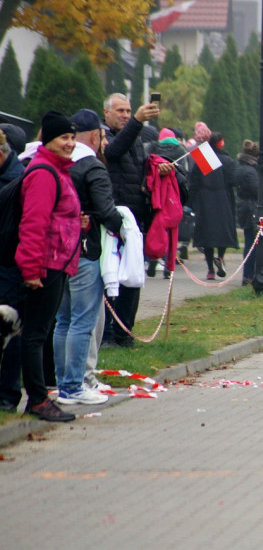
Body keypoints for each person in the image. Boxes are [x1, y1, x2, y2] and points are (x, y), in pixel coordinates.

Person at [0, 112, 82, 421]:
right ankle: (37, 400)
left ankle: (37, 397)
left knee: (38, 333)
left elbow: (58, 215)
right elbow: (33, 225)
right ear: (48, 140)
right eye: (64, 138)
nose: (70, 143)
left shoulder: (58, 171)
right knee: (34, 336)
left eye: (73, 138)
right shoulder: (44, 173)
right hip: (44, 266)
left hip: (57, 263)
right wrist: (32, 270)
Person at [52, 109, 122, 407]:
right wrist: (122, 227)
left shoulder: (56, 165)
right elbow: (106, 211)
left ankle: (62, 381)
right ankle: (73, 385)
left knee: (63, 320)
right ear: (96, 136)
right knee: (82, 321)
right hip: (85, 250)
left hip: (57, 251)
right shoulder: (93, 166)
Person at [101, 93, 162, 348]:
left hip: (135, 220)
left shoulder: (135, 138)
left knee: (133, 278)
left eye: (128, 111)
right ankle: (106, 335)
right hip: (113, 219)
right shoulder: (103, 135)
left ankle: (125, 333)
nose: (126, 115)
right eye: (120, 111)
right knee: (111, 279)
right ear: (107, 113)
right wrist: (137, 120)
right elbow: (114, 152)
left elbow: (136, 168)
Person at [189, 132, 238, 281]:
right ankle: (221, 258)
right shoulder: (228, 160)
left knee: (207, 234)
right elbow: (233, 180)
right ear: (221, 143)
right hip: (223, 199)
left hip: (205, 200)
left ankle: (210, 269)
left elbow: (193, 181)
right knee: (222, 232)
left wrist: (193, 200)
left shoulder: (204, 158)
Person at [145, 128, 188, 278]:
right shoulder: (180, 150)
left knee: (156, 228)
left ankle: (152, 260)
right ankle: (167, 268)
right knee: (171, 231)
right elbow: (184, 173)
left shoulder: (152, 148)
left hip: (156, 195)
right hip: (172, 195)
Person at [235, 139, 260, 285]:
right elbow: (256, 190)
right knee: (252, 244)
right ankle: (249, 275)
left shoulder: (240, 168)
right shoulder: (251, 171)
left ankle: (248, 274)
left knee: (249, 242)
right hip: (251, 208)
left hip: (244, 207)